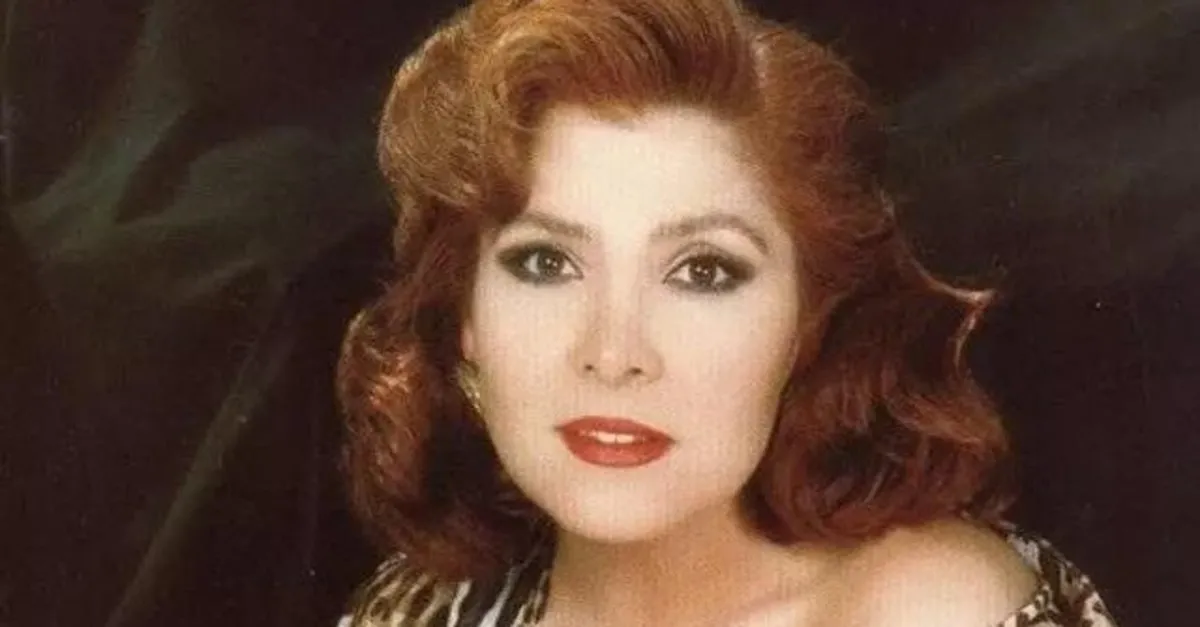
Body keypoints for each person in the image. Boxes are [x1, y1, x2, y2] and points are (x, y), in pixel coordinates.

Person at [334, 0, 1117, 625]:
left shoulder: (936, 610)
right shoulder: (427, 606)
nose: (614, 351)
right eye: (545, 262)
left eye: (703, 271)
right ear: (463, 313)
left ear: (808, 321)